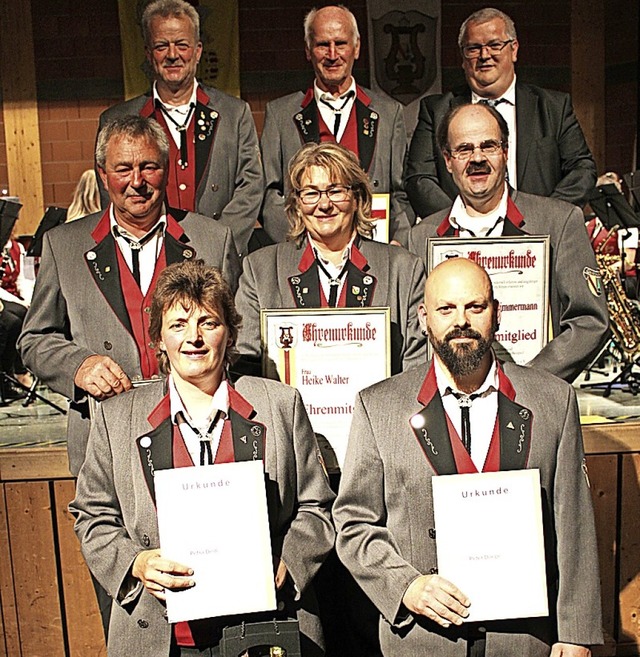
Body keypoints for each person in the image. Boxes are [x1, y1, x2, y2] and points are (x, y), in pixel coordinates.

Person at [334, 257, 603, 657]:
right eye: (446, 309)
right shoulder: (379, 407)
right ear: (425, 318)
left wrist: (577, 633)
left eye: (475, 307)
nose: (461, 320)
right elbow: (354, 523)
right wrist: (405, 586)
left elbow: (574, 524)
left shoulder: (553, 400)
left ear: (496, 314)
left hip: (525, 640)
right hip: (424, 640)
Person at [70, 260, 335, 657]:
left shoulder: (280, 404)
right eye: (178, 325)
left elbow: (317, 507)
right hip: (162, 635)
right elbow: (91, 516)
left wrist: (290, 561)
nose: (193, 338)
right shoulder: (115, 418)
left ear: (229, 335)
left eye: (208, 323)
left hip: (265, 627)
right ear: (158, 339)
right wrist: (137, 563)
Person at [19, 115, 240, 479]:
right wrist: (78, 366)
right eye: (123, 169)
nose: (136, 182)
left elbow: (237, 334)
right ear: (103, 175)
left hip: (202, 435)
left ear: (165, 170)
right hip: (104, 438)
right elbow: (34, 339)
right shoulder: (64, 246)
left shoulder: (213, 240)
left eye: (148, 167)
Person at [407, 102, 609, 383]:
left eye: (488, 146)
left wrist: (531, 382)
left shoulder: (559, 222)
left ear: (505, 152)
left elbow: (590, 321)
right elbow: (417, 331)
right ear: (448, 160)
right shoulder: (422, 237)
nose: (477, 158)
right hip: (450, 404)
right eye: (464, 149)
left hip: (535, 403)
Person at [236, 141, 426, 378]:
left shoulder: (404, 269)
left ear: (357, 198)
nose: (324, 204)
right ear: (297, 204)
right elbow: (247, 367)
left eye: (336, 191)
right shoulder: (260, 270)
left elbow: (417, 368)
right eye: (311, 193)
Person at [97, 0, 263, 255]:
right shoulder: (116, 119)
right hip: (149, 255)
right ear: (148, 53)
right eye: (162, 46)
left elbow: (251, 188)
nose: (172, 55)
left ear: (197, 51)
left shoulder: (235, 113)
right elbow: (113, 196)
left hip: (221, 257)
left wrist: (217, 246)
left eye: (181, 45)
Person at [404, 7, 596, 218]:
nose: (484, 55)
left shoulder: (554, 107)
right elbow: (419, 179)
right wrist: (461, 221)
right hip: (460, 241)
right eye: (473, 48)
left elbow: (582, 169)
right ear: (462, 57)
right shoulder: (436, 111)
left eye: (494, 45)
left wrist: (543, 218)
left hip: (540, 237)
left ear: (514, 50)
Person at [260, 5, 413, 245]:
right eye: (322, 45)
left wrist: (399, 241)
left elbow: (401, 193)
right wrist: (296, 242)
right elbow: (270, 194)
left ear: (357, 48)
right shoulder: (280, 114)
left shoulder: (388, 113)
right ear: (308, 51)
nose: (332, 55)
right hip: (304, 250)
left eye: (341, 43)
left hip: (374, 247)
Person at [0, 230, 34, 393]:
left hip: (16, 298)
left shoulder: (18, 247)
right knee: (14, 321)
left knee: (30, 314)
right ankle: (12, 372)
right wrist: (20, 302)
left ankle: (22, 370)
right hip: (3, 297)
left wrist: (28, 300)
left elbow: (25, 278)